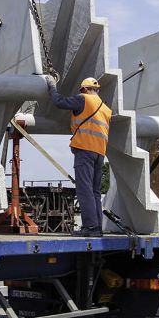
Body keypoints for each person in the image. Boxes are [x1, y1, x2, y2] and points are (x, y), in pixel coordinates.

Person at [45, 75, 112, 236]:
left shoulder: (84, 99)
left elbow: (59, 102)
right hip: (100, 153)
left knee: (84, 190)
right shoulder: (106, 109)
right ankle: (96, 228)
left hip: (85, 149)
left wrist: (52, 86)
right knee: (95, 191)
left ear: (85, 89)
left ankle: (89, 227)